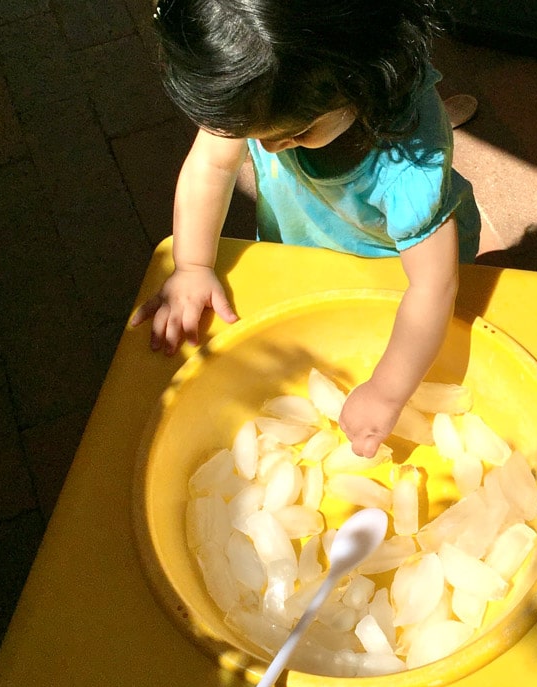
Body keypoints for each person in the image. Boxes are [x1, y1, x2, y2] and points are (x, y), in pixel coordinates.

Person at [131, 0, 482, 458]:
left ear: (362, 81)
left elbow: (434, 287)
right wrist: (193, 265)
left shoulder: (408, 176)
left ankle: (435, 115)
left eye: (296, 133)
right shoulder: (261, 83)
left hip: (392, 269)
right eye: (256, 136)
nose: (272, 150)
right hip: (305, 246)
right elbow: (212, 168)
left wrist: (387, 390)